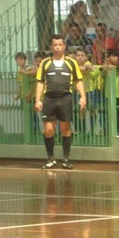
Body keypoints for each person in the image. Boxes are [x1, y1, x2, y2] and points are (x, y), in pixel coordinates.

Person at [35, 34, 87, 169]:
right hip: (49, 99)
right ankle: (50, 158)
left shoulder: (71, 62)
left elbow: (78, 80)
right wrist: (37, 100)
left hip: (65, 99)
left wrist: (83, 97)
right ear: (51, 47)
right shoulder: (45, 63)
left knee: (65, 129)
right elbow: (40, 82)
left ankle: (66, 159)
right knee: (48, 130)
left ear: (64, 46)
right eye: (55, 45)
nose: (57, 47)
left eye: (60, 45)